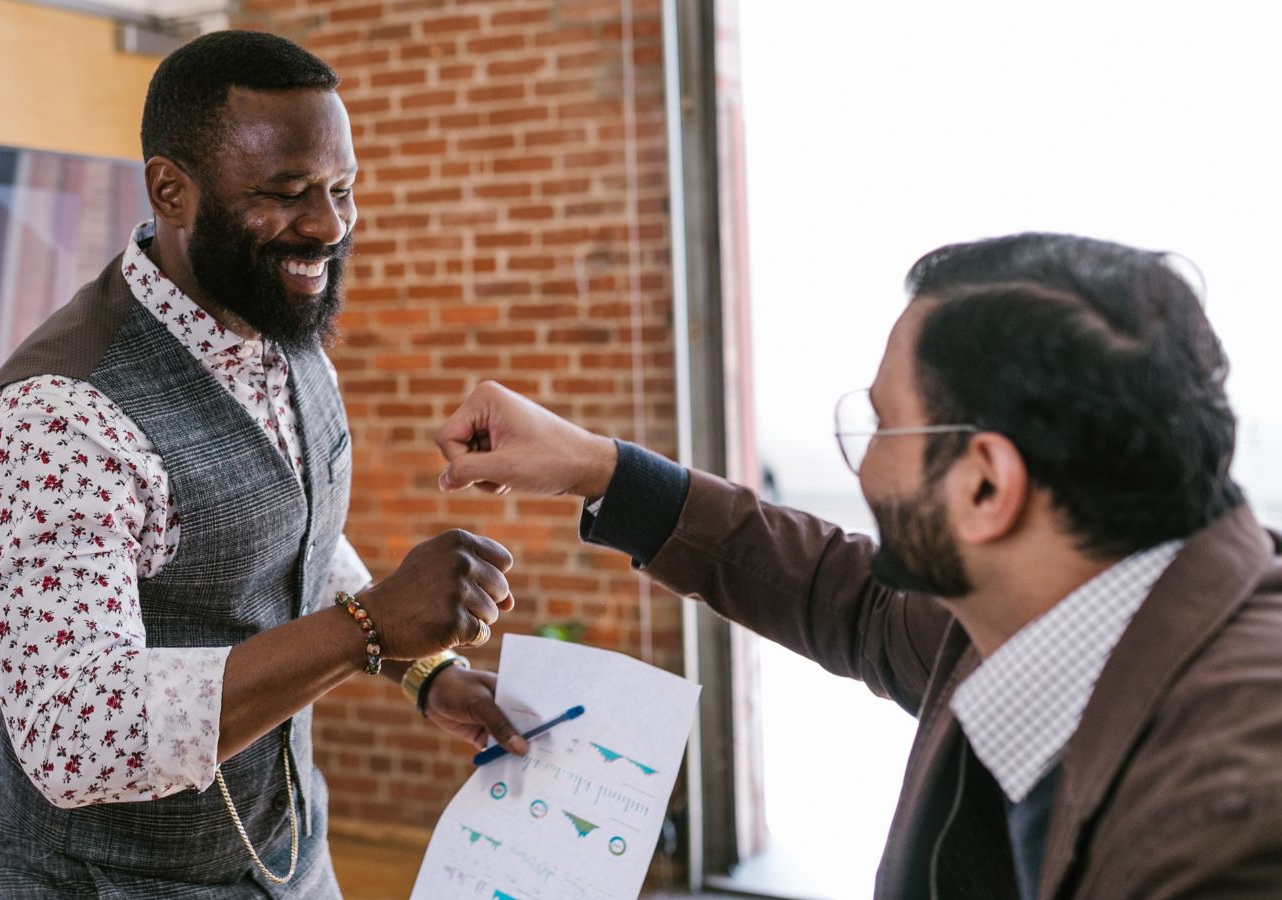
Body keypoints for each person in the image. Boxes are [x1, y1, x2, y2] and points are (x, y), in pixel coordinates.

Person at [434, 233, 1282, 899]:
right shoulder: (1051, 606)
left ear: (988, 483)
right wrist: (599, 468)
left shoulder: (1230, 822)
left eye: (882, 428)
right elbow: (848, 597)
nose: (863, 469)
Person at [0, 31, 526, 899]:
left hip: (285, 847)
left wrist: (424, 670)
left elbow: (291, 540)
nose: (329, 226)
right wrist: (372, 623)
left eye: (342, 190)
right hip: (113, 881)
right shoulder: (58, 418)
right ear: (171, 190)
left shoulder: (280, 329)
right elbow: (79, 740)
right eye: (287, 193)